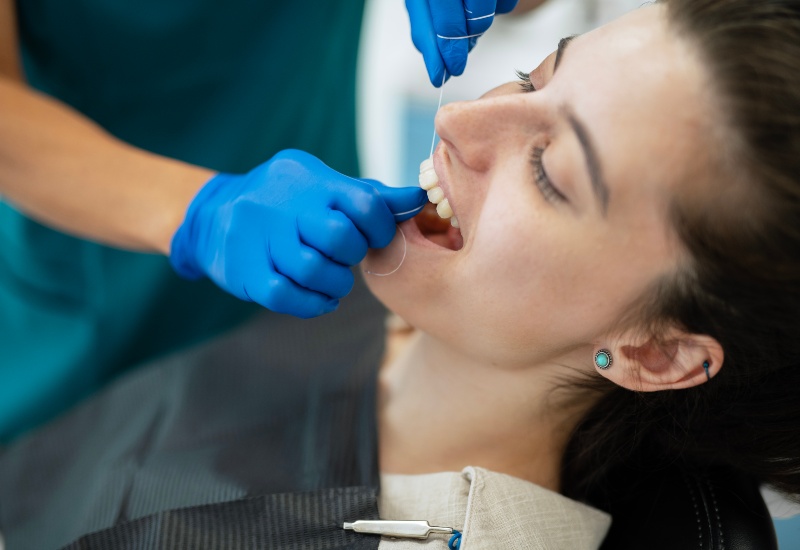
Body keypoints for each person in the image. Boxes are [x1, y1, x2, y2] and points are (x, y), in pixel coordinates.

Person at [2, 0, 800, 548]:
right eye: (531, 76)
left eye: (550, 171)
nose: (454, 120)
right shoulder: (382, 303)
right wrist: (200, 210)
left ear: (654, 355)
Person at [0, 0, 520, 442]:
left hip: (315, 214)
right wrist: (200, 211)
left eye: (534, 84)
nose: (454, 118)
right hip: (92, 246)